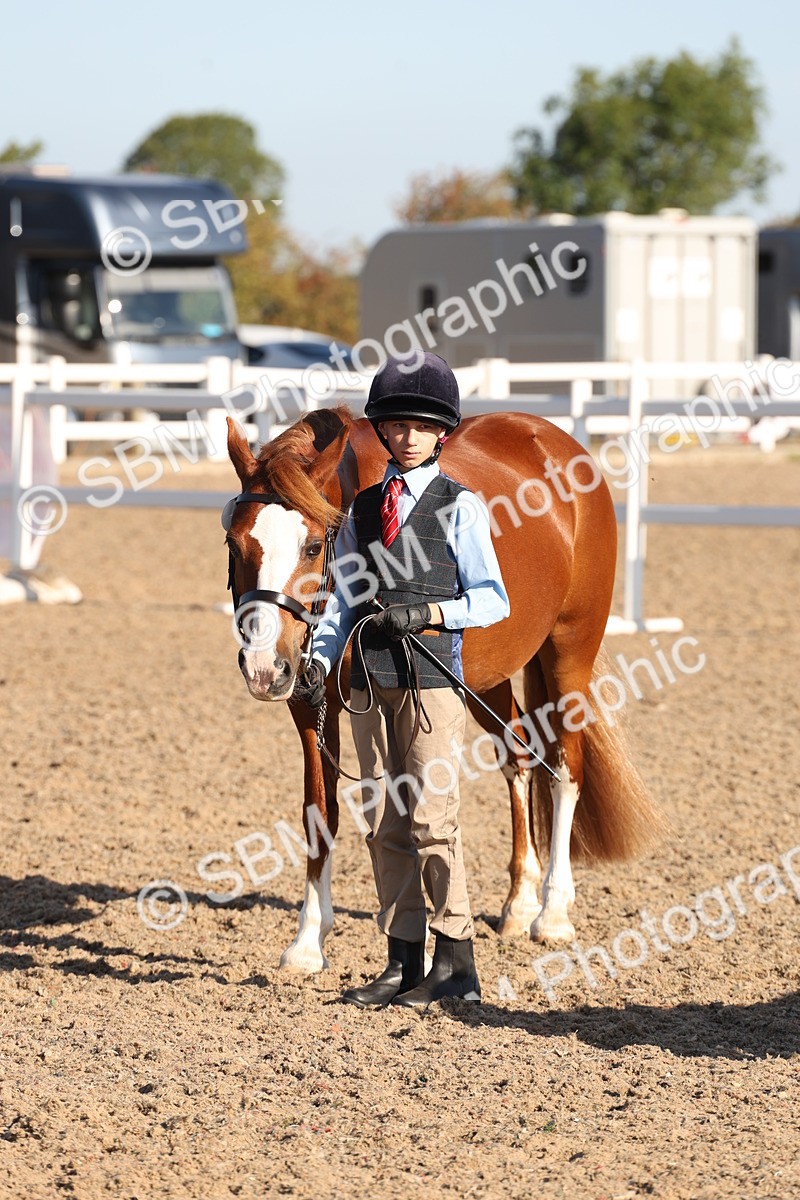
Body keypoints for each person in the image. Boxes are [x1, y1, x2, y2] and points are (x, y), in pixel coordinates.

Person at [294, 351, 509, 1009]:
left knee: (433, 818)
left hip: (433, 683)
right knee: (384, 823)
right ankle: (401, 959)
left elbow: (493, 598)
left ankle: (457, 961)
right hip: (370, 684)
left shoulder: (459, 507)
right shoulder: (360, 511)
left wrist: (430, 611)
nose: (408, 435)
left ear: (441, 431)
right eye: (397, 423)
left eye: (421, 424)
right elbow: (341, 602)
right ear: (382, 430)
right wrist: (321, 658)